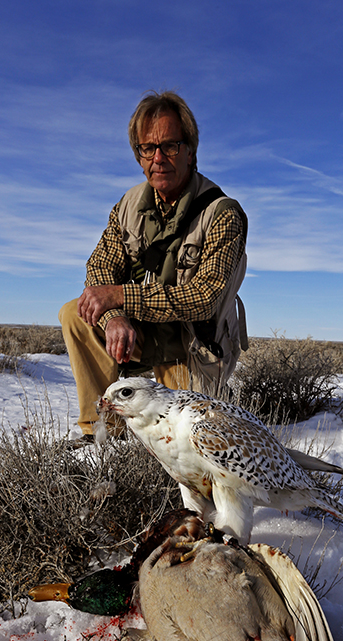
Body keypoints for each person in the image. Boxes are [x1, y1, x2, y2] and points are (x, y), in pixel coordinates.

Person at [59, 90, 248, 440]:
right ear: (139, 156)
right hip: (140, 339)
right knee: (76, 313)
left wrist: (122, 298)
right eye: (148, 148)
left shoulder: (223, 214)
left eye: (170, 146)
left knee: (185, 447)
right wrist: (114, 316)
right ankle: (99, 433)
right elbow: (99, 268)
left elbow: (202, 297)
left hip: (190, 350)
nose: (159, 158)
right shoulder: (128, 205)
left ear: (191, 151)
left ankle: (218, 403)